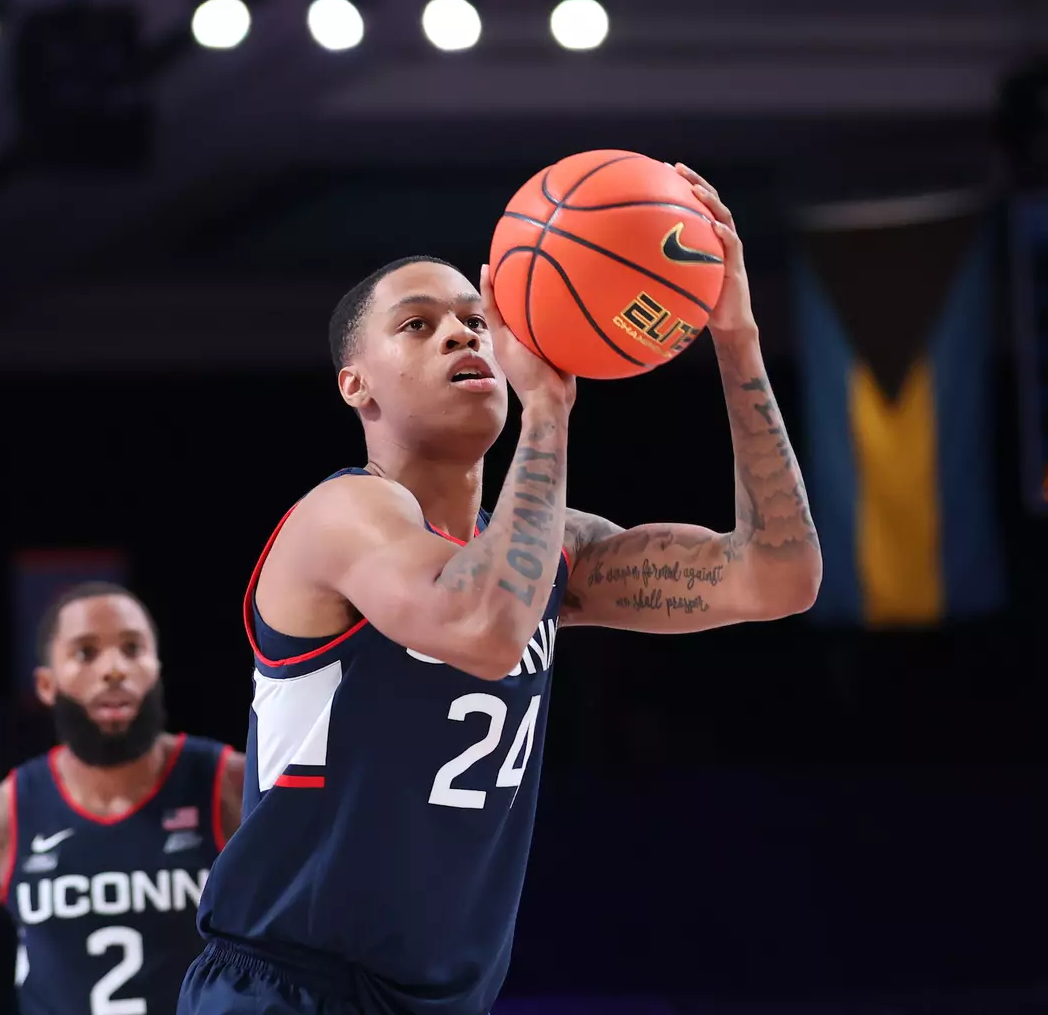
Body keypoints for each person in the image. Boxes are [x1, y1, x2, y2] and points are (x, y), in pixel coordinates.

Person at [178, 165, 823, 1015]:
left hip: (440, 1000)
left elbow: (778, 576)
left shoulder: (553, 546)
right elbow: (483, 626)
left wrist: (735, 340)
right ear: (355, 385)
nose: (462, 335)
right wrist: (547, 411)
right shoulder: (342, 514)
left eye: (476, 320)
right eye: (419, 325)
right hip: (291, 987)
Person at [0, 582, 246, 1015]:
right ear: (46, 684)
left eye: (132, 649)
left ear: (156, 668)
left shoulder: (231, 787)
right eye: (86, 653)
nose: (114, 669)